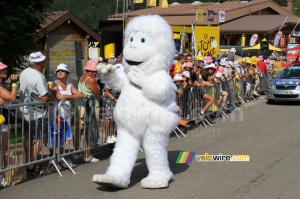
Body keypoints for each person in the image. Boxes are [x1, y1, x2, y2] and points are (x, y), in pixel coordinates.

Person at [19, 52, 54, 176]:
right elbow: (44, 97)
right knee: (40, 138)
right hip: (36, 112)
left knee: (28, 137)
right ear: (39, 64)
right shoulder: (39, 76)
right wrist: (52, 97)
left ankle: (28, 162)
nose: (45, 63)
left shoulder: (24, 73)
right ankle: (31, 165)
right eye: (43, 61)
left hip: (24, 110)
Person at [75, 60, 100, 163]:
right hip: (90, 107)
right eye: (91, 71)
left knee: (79, 130)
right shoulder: (91, 80)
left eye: (95, 71)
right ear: (87, 69)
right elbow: (97, 94)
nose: (94, 73)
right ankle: (87, 155)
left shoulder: (82, 77)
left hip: (80, 106)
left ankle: (77, 153)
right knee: (88, 130)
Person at [0, 62, 18, 187]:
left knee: (4, 149)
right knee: (2, 149)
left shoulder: (2, 84)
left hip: (4, 120)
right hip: (1, 121)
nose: (5, 70)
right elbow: (11, 98)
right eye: (3, 69)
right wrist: (14, 83)